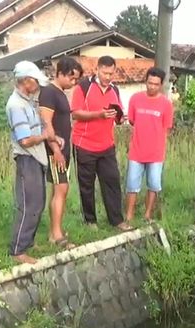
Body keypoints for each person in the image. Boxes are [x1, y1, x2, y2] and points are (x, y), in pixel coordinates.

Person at [71, 55, 132, 232]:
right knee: (87, 185)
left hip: (106, 145)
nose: (108, 77)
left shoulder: (115, 90)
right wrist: (99, 114)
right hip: (84, 144)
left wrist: (121, 118)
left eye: (111, 73)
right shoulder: (83, 86)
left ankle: (117, 220)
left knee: (112, 181)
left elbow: (117, 115)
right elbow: (75, 113)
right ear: (97, 69)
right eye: (105, 73)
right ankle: (90, 221)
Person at [6, 60, 57, 265]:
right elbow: (25, 140)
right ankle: (18, 249)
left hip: (36, 158)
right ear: (26, 81)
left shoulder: (28, 100)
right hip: (27, 159)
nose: (37, 85)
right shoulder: (16, 105)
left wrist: (50, 137)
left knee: (38, 202)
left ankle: (28, 242)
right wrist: (46, 136)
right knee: (29, 205)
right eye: (35, 81)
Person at [38, 56, 83, 250]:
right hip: (55, 151)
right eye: (71, 78)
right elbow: (46, 123)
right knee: (61, 188)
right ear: (61, 73)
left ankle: (54, 231)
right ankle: (56, 235)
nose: (73, 83)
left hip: (63, 149)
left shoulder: (60, 92)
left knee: (60, 189)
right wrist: (56, 149)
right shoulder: (49, 92)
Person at [125, 67, 174, 223]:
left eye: (155, 84)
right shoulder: (135, 99)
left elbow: (167, 127)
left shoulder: (166, 104)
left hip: (156, 153)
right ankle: (129, 215)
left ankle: (147, 215)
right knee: (132, 185)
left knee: (153, 184)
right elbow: (132, 121)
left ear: (161, 85)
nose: (152, 86)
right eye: (149, 83)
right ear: (145, 81)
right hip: (136, 151)